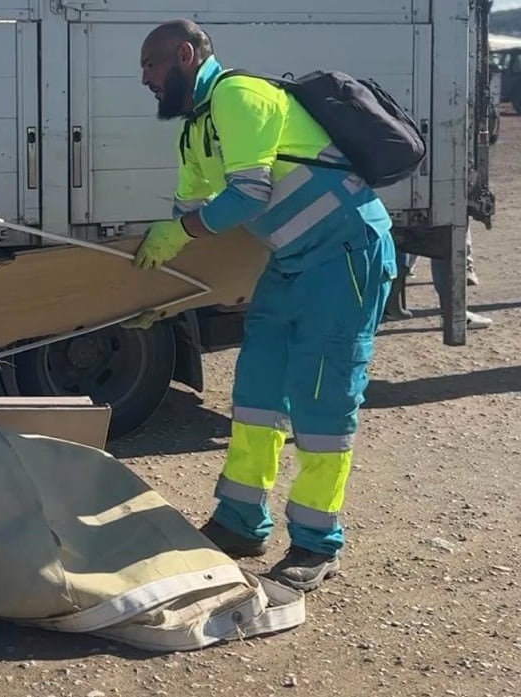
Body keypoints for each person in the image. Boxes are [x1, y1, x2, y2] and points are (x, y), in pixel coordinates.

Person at [130, 19, 397, 592]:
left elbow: (245, 196)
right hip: (293, 260)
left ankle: (315, 543)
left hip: (347, 253)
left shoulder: (238, 96)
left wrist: (178, 233)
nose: (145, 78)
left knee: (323, 401)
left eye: (152, 64)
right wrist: (162, 299)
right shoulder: (195, 128)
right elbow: (194, 214)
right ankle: (240, 521)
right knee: (256, 391)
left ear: (184, 54)